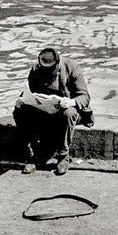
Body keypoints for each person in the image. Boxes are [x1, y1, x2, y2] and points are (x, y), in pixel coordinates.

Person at [13, 45, 92, 175]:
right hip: (44, 110)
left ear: (57, 64)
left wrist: (71, 102)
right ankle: (36, 153)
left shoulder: (72, 67)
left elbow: (85, 97)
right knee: (20, 109)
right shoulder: (36, 68)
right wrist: (23, 99)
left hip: (66, 111)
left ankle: (63, 156)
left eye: (50, 70)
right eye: (43, 69)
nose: (47, 73)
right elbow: (28, 91)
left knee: (69, 113)